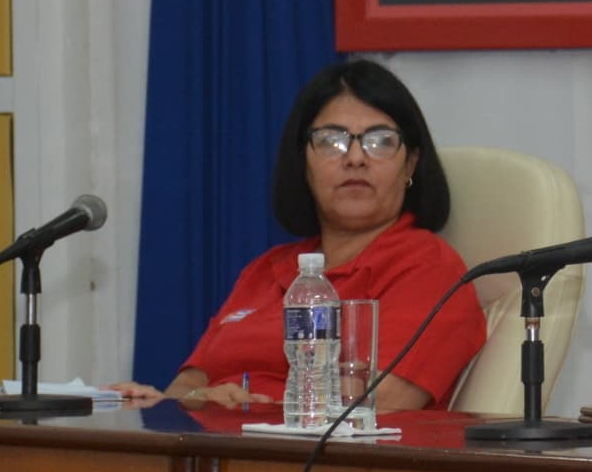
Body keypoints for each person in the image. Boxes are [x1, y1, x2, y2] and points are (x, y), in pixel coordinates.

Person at [113, 59, 488, 411]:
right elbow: (186, 384)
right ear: (303, 164)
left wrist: (238, 410)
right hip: (225, 460)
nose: (355, 157)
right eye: (331, 141)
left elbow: (373, 404)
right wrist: (165, 401)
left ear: (410, 163)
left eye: (379, 140)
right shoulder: (265, 270)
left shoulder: (431, 270)